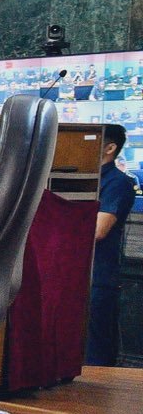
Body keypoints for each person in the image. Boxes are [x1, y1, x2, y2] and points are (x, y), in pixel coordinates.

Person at [89, 125, 135, 365]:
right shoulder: (86, 179)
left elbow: (98, 230)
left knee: (94, 348)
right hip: (71, 275)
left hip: (98, 276)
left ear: (110, 147)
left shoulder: (117, 183)